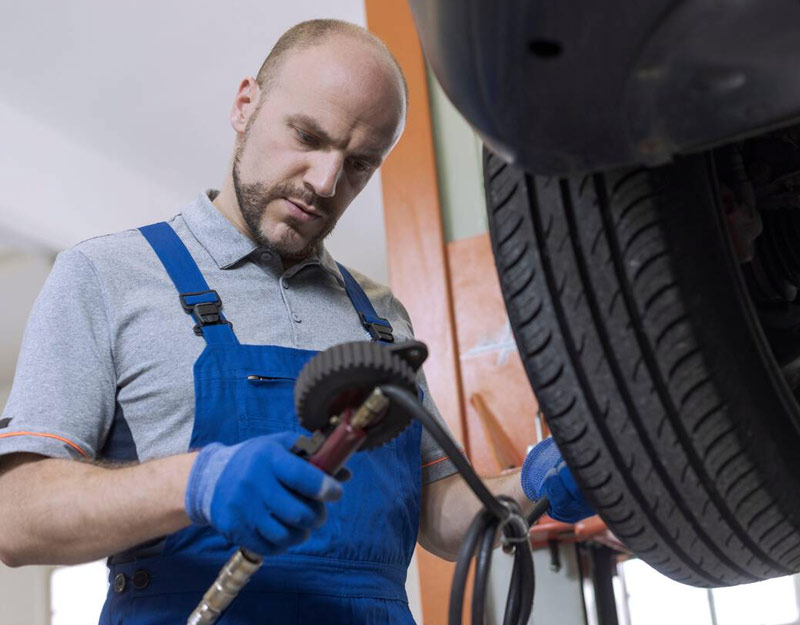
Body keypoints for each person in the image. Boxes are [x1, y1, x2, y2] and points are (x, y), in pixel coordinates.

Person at [0, 19, 592, 625]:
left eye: (359, 164)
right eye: (309, 136)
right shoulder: (105, 276)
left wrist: (541, 480)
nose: (326, 182)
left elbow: (439, 516)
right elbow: (15, 516)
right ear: (245, 105)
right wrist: (198, 482)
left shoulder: (380, 317)